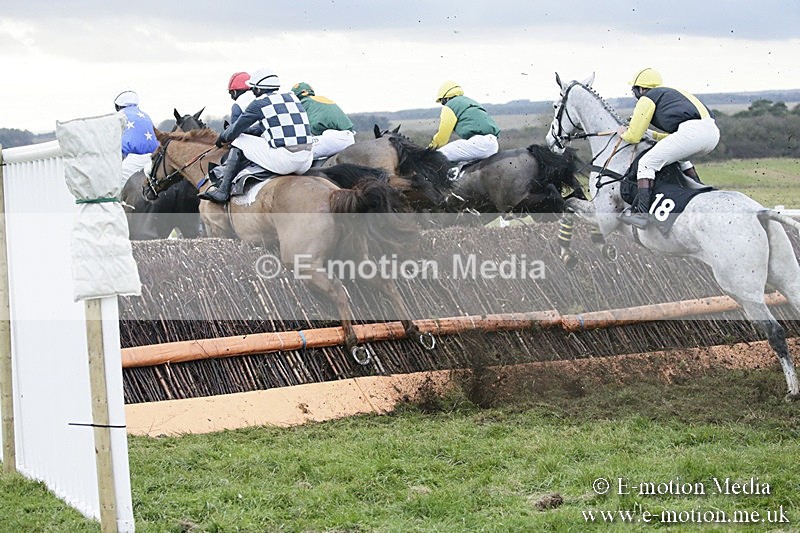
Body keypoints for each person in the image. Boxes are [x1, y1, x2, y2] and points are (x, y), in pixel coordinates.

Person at [617, 68, 720, 228]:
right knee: (681, 158)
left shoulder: (647, 98)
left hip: (692, 132)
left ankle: (641, 215)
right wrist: (654, 135)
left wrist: (623, 133)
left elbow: (633, 136)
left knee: (646, 164)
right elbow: (676, 138)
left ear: (641, 89)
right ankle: (699, 187)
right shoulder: (672, 94)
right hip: (712, 134)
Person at [199, 67, 313, 203]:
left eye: (253, 89)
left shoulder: (258, 104)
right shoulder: (291, 97)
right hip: (307, 160)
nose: (252, 92)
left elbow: (233, 132)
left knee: (238, 140)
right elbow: (262, 127)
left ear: (258, 89)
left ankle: (223, 191)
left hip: (286, 161)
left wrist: (221, 137)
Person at [429, 80, 500, 169]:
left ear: (446, 98)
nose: (443, 105)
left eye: (442, 102)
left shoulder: (450, 105)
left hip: (479, 143)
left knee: (436, 157)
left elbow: (443, 137)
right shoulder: (471, 102)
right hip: (493, 144)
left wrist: (430, 149)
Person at [291, 82, 355, 158]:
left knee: (298, 154)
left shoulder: (302, 103)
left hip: (332, 139)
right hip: (350, 138)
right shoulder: (322, 99)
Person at [114, 90, 159, 187]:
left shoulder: (118, 116)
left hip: (131, 160)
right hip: (154, 159)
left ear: (118, 106)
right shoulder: (146, 115)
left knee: (114, 186)